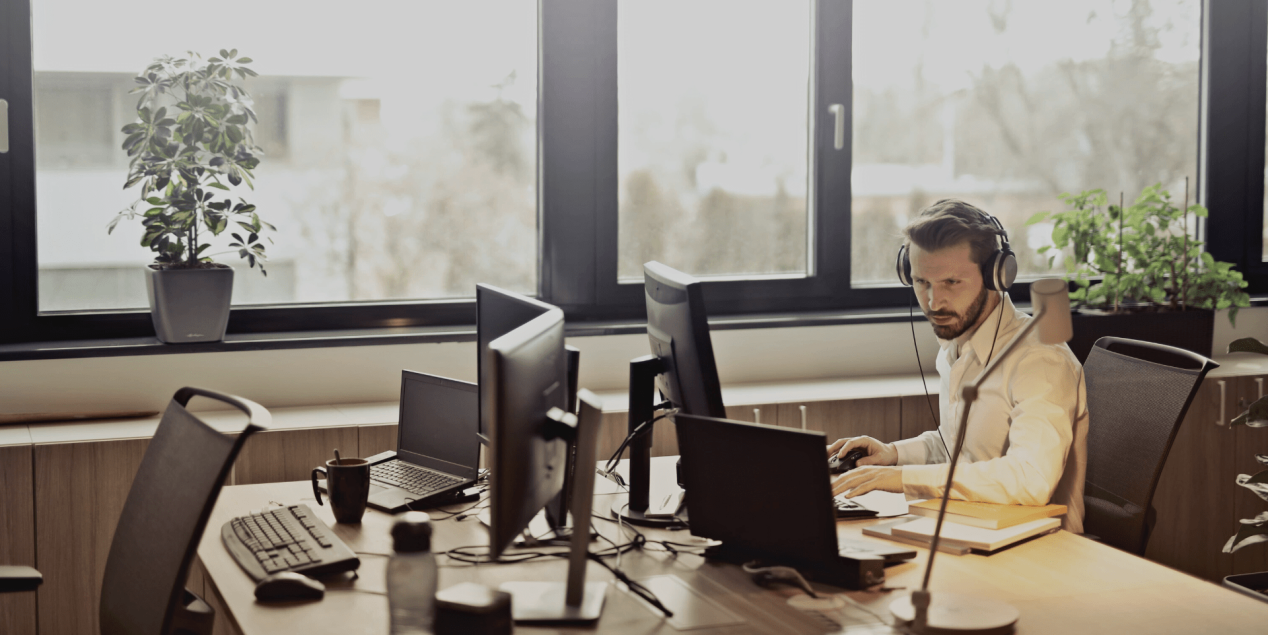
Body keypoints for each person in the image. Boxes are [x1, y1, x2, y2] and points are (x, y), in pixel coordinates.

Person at [829, 199, 1088, 533]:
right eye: (922, 283)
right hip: (969, 528)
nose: (934, 303)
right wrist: (893, 455)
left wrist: (903, 478)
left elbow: (1031, 480)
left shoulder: (1041, 360)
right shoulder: (957, 346)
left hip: (1039, 550)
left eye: (951, 282)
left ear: (997, 275)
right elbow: (959, 449)